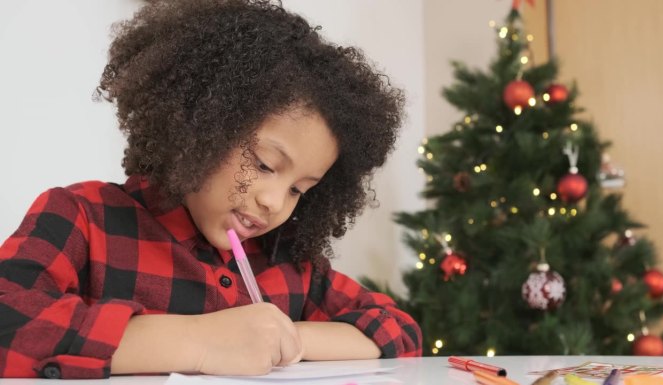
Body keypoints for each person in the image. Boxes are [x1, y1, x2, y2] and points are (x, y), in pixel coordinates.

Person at [0, 0, 422, 379]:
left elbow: (398, 330)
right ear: (199, 126)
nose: (274, 202)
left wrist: (280, 337)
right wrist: (198, 340)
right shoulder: (83, 217)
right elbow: (9, 319)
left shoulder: (290, 261)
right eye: (264, 164)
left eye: (299, 190)